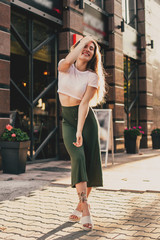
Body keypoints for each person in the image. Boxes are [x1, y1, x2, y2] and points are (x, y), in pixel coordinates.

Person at [58, 36, 106, 230]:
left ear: (94, 55)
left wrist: (80, 130)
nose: (87, 50)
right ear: (77, 48)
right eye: (84, 46)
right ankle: (86, 208)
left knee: (89, 163)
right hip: (67, 119)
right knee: (77, 158)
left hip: (85, 121)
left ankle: (81, 206)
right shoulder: (65, 65)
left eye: (92, 48)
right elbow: (69, 61)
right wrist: (86, 38)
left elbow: (85, 103)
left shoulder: (92, 76)